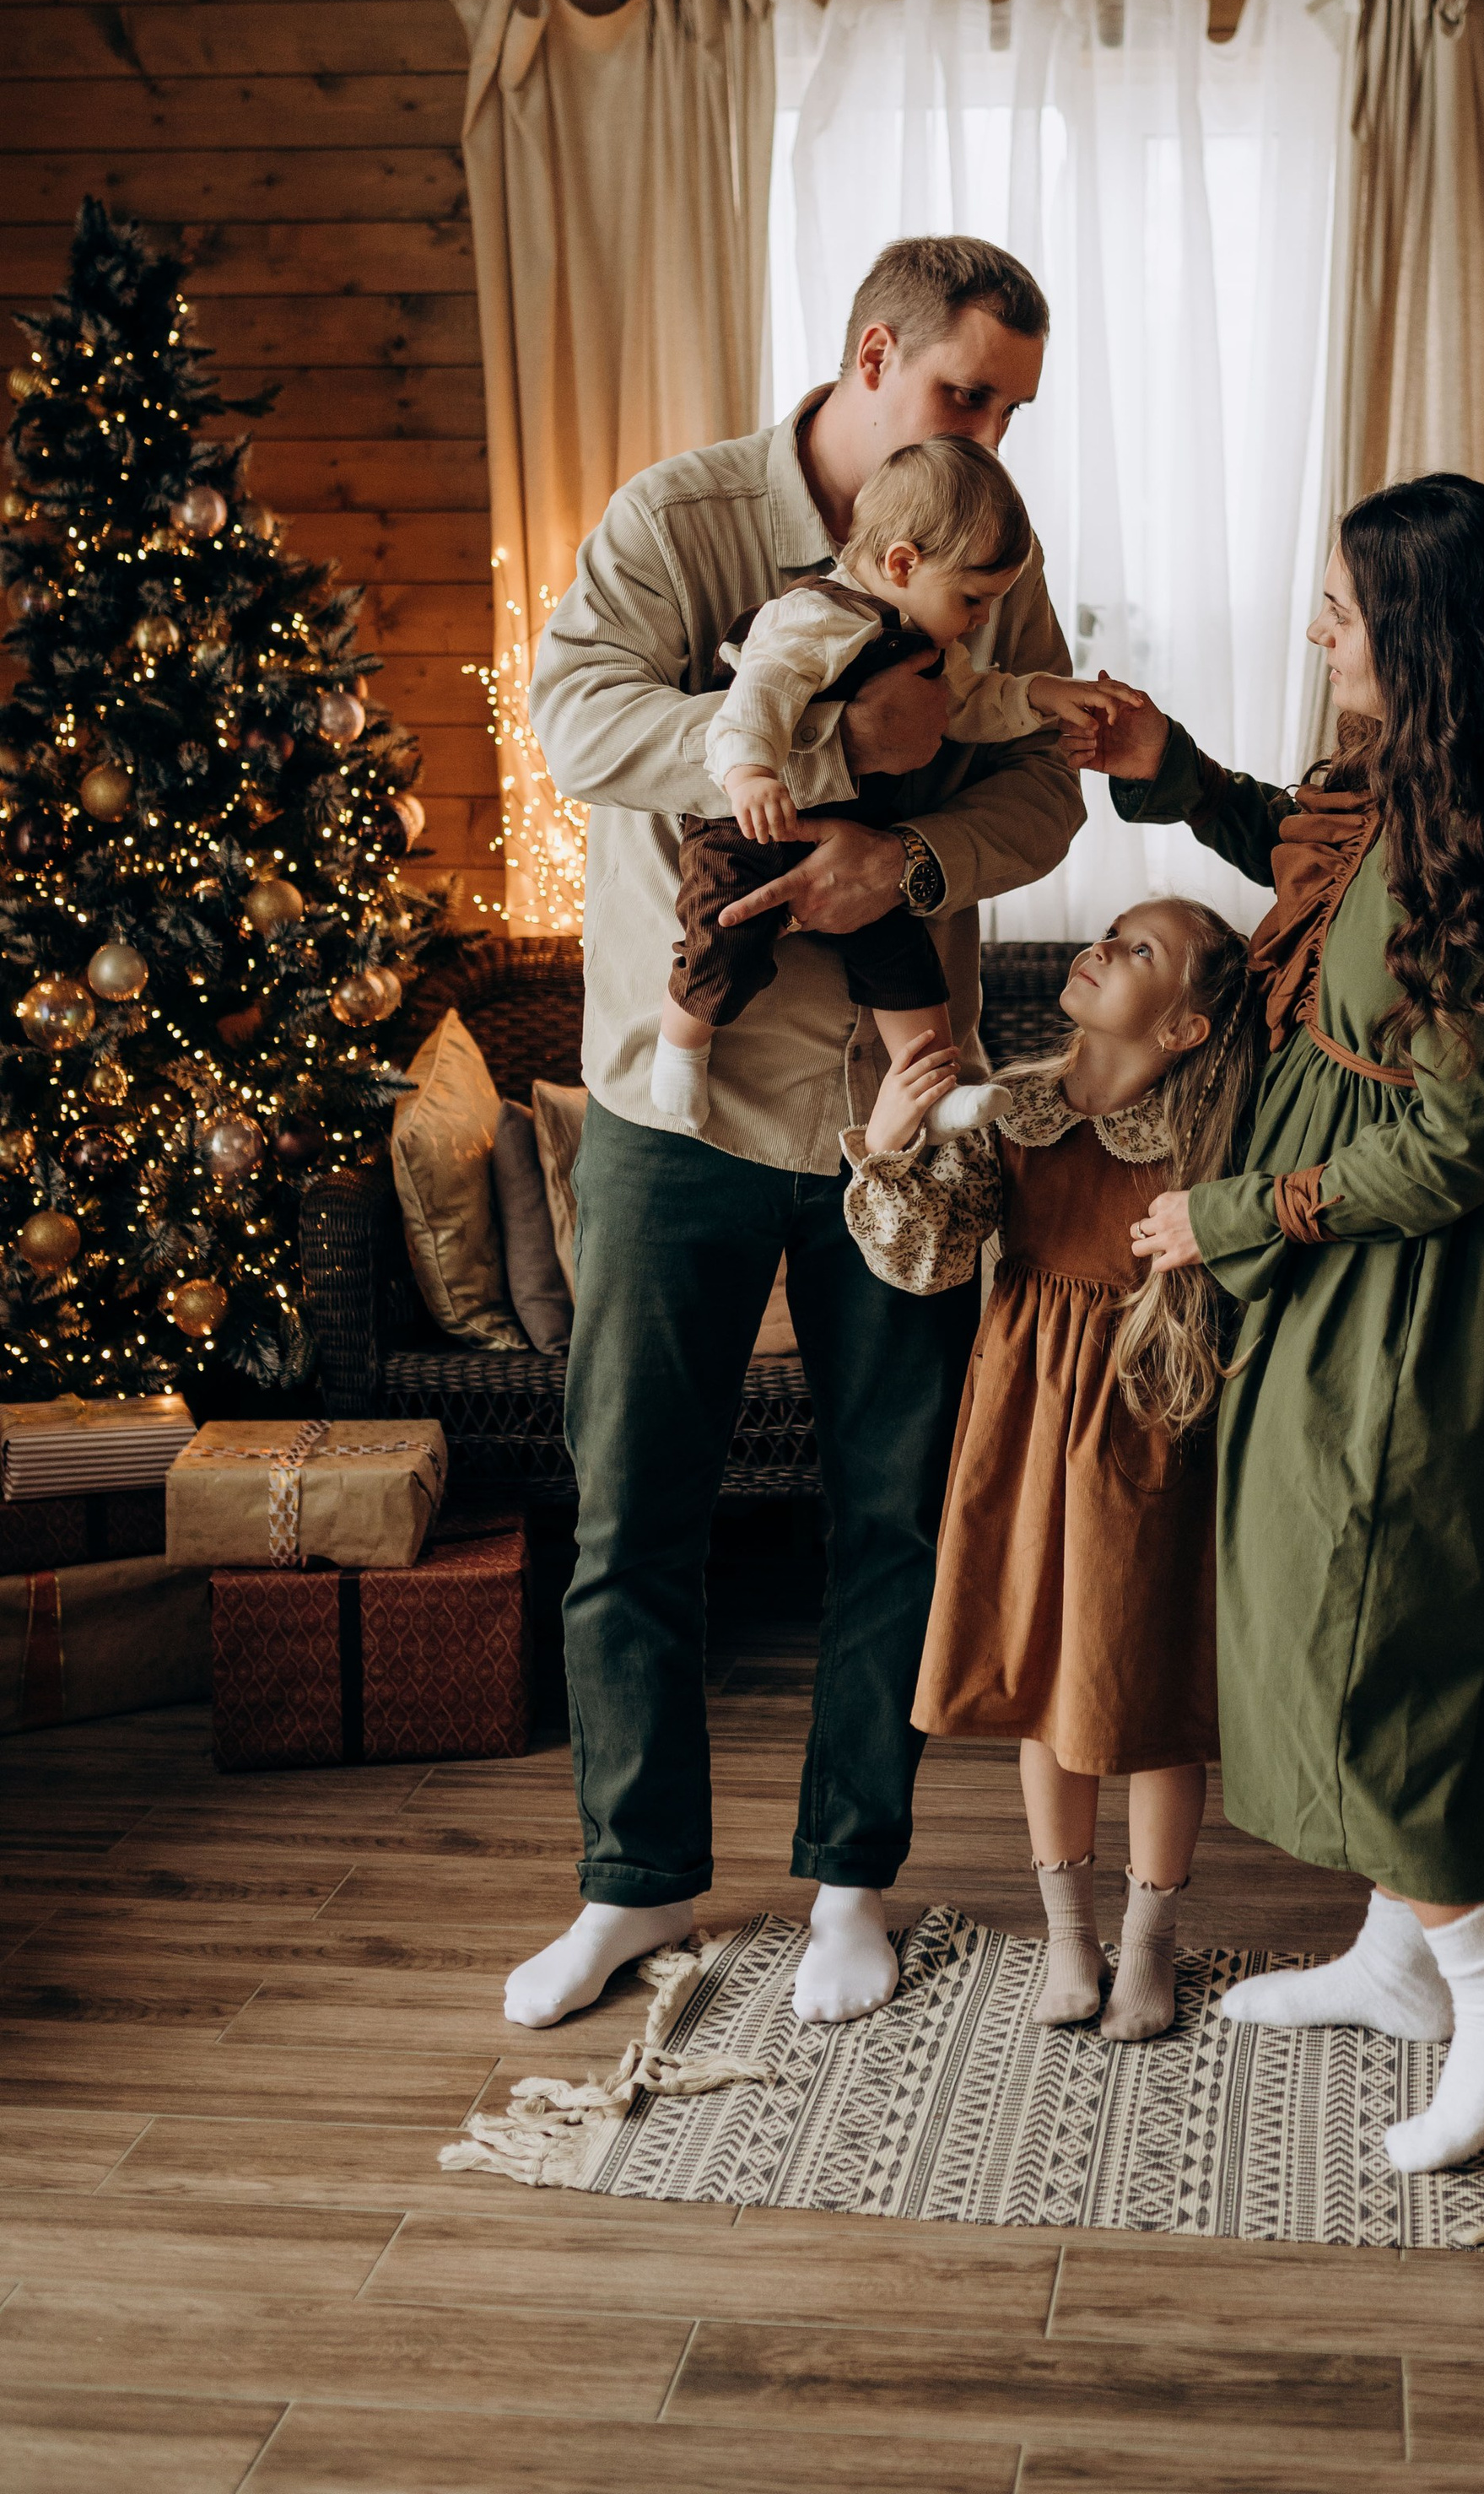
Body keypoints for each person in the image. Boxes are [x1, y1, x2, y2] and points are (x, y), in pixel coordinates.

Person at [505, 235, 1083, 2035]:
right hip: (674, 1109)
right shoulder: (679, 518)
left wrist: (893, 859)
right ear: (869, 352)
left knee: (893, 1507)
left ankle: (854, 1879)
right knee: (631, 1510)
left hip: (895, 1126)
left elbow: (1041, 791)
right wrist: (817, 741)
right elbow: (571, 714)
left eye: (1013, 406)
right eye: (967, 391)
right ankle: (633, 1883)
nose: (993, 430)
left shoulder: (994, 543)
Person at [1097, 474, 1484, 2168]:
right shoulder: (1404, 800)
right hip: (1344, 1298)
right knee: (1348, 1608)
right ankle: (1397, 1964)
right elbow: (1308, 858)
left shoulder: (1477, 847)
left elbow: (1447, 1143)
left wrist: (1224, 1214)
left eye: (1340, 610)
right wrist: (1167, 767)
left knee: (1361, 1642)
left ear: (1419, 638)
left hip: (1401, 1311)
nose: (1315, 630)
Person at [841, 902, 1264, 2042]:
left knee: (1143, 1680)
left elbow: (1260, 1265)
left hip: (1146, 1411)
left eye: (1142, 953)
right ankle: (1068, 1938)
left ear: (1183, 1028)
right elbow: (926, 1254)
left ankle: (1148, 1945)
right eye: (1112, 932)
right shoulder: (1012, 1110)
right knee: (1044, 1668)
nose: (1104, 948)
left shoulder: (1213, 1134)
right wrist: (889, 1141)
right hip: (1023, 1411)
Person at [654, 438, 1131, 1133]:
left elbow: (974, 704)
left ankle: (933, 1091)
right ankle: (681, 1049)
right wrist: (751, 773)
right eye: (972, 600)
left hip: (859, 832)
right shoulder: (812, 616)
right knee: (724, 931)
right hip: (752, 823)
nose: (979, 621)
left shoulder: (924, 641)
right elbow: (754, 698)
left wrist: (1045, 694)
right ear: (902, 562)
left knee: (903, 956)